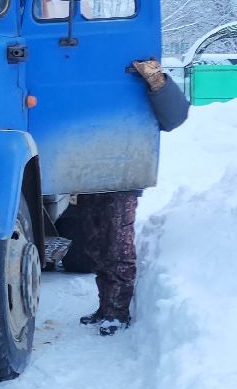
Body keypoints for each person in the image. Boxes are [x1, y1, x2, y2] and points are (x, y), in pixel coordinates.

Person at [70, 58, 190, 336]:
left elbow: (175, 117)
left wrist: (158, 82)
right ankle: (105, 306)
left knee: (117, 245)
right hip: (89, 170)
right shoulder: (88, 80)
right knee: (96, 246)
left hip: (123, 171)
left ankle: (118, 312)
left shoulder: (143, 75)